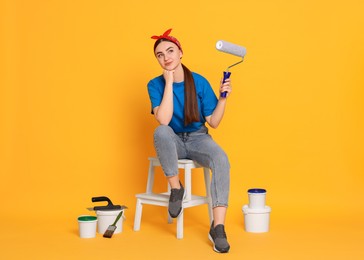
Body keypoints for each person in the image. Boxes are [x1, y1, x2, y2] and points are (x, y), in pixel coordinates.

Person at [147, 28, 232, 253]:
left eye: (170, 51)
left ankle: (218, 227)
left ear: (181, 52)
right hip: (172, 140)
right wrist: (168, 83)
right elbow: (163, 120)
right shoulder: (154, 85)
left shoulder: (199, 82)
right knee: (161, 131)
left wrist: (223, 98)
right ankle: (176, 189)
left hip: (197, 139)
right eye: (160, 55)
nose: (166, 58)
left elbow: (213, 122)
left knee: (222, 159)